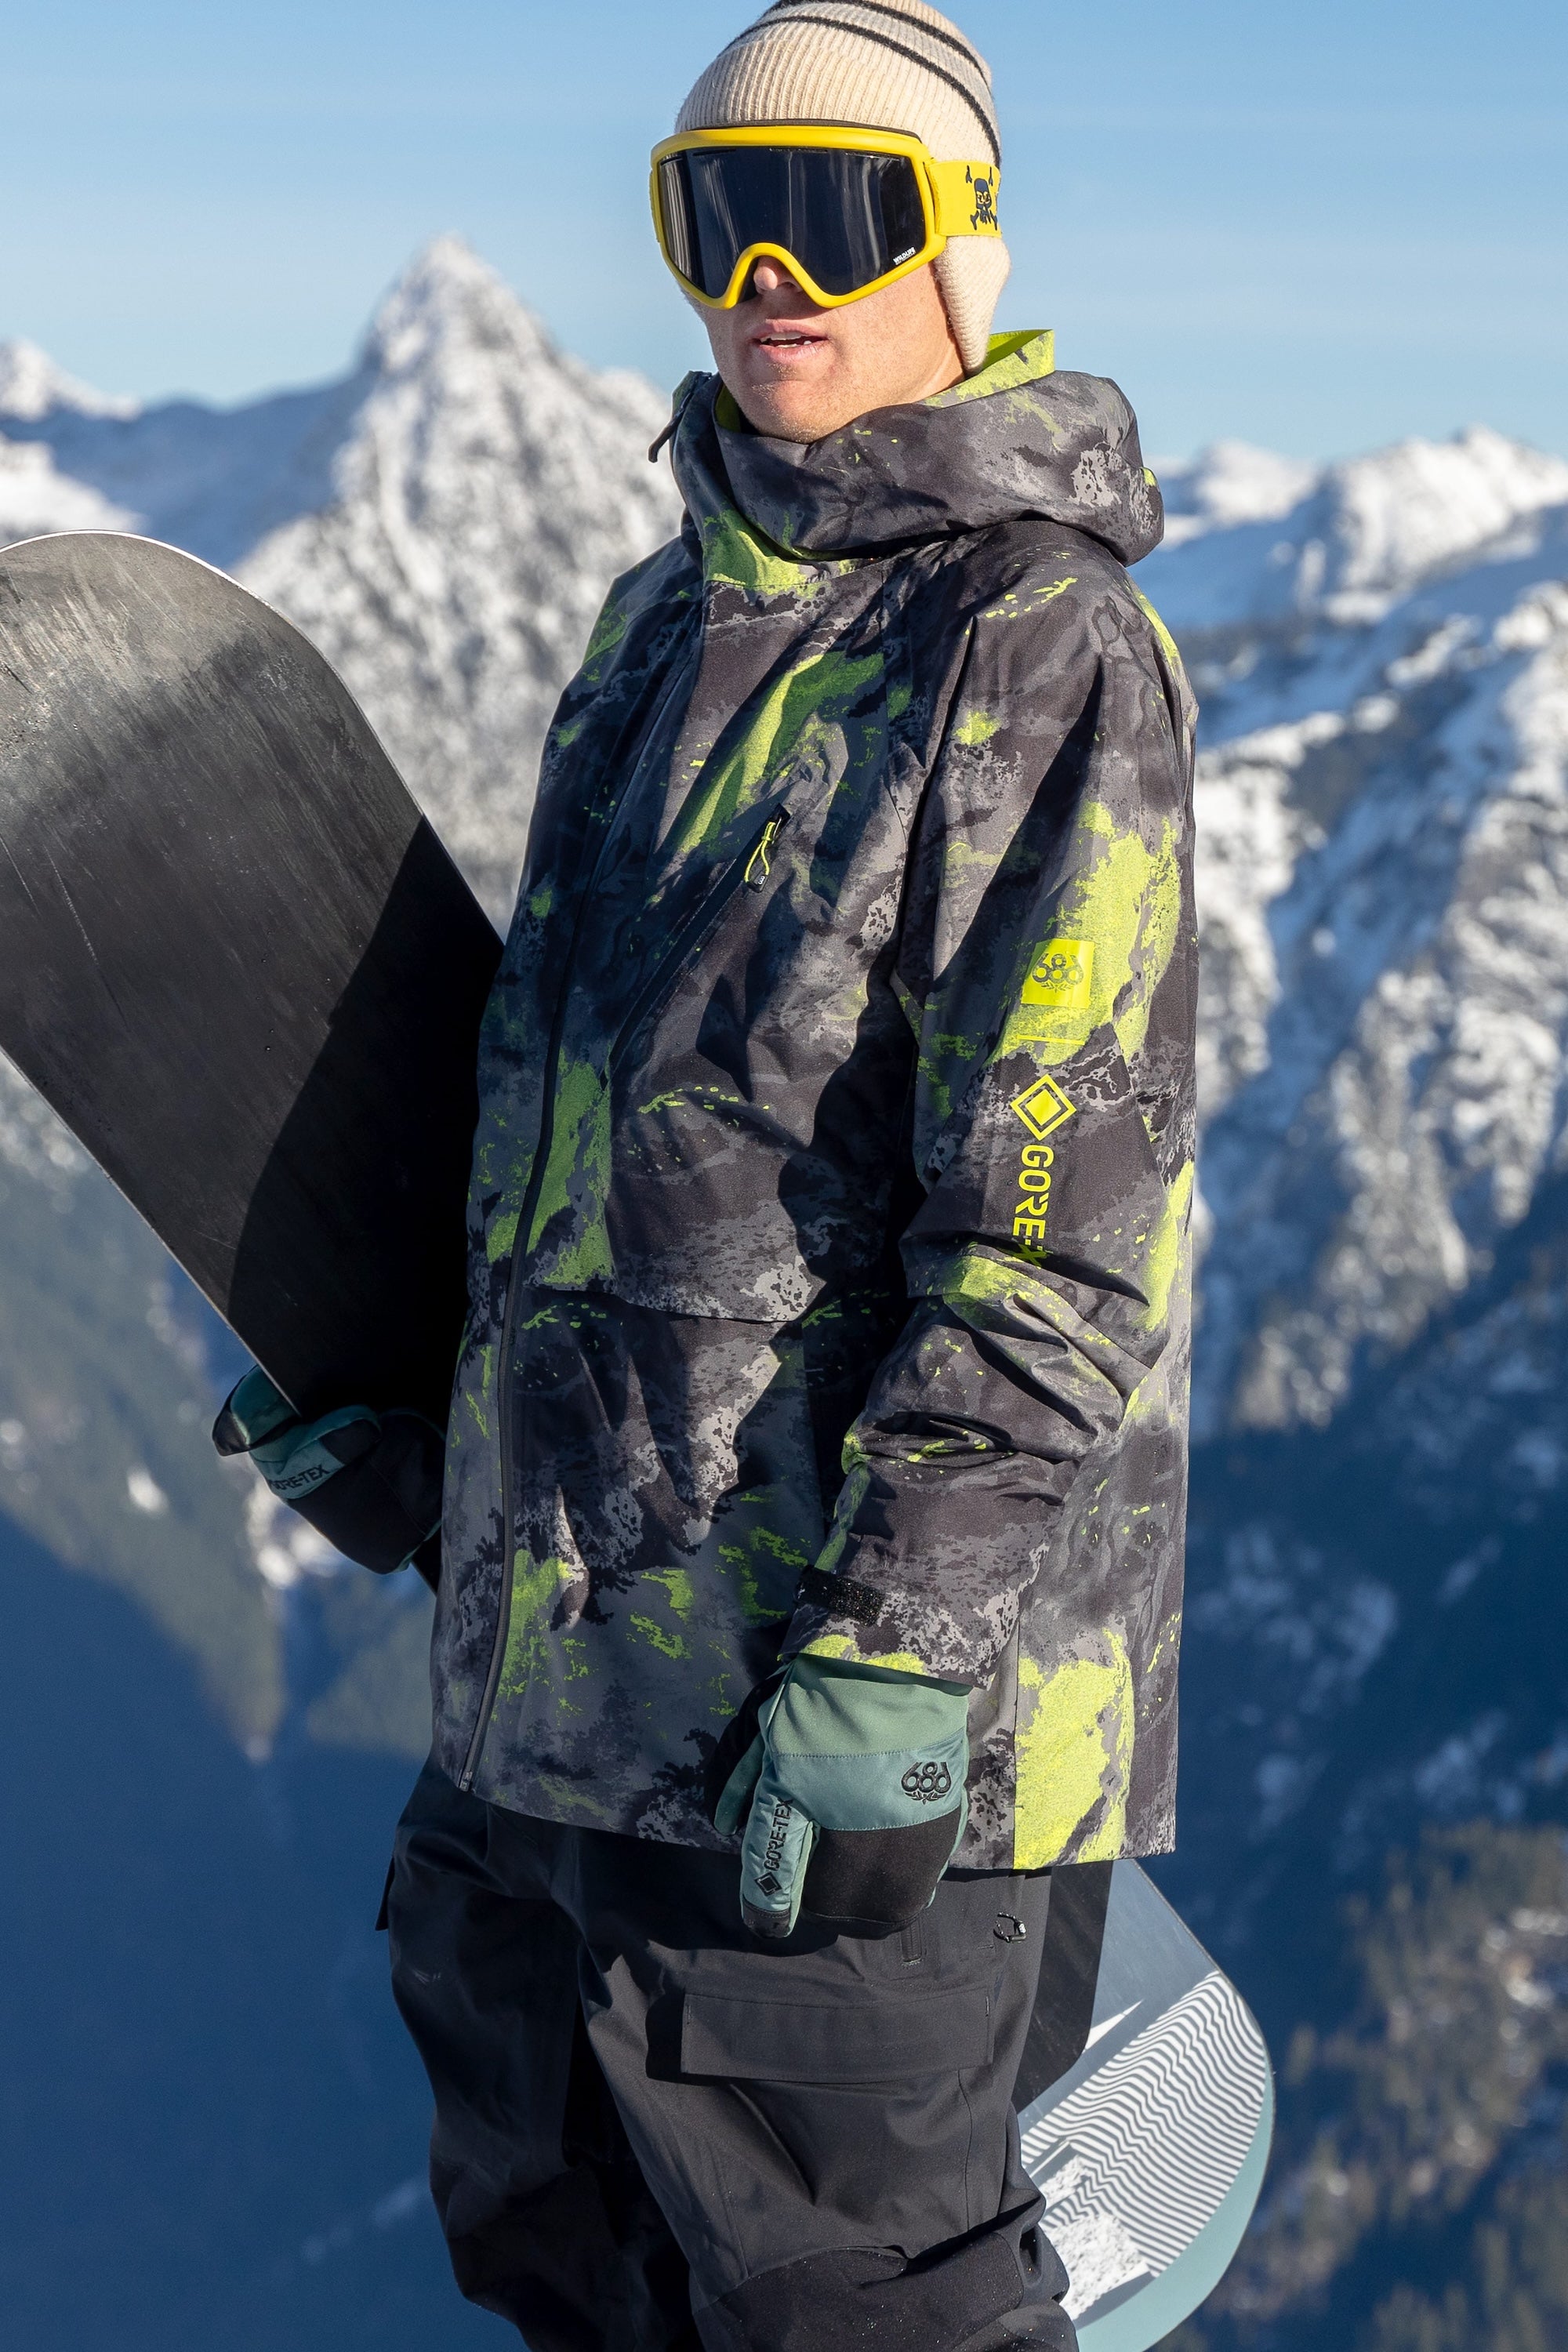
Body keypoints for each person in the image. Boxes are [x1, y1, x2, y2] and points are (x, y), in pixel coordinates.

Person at [216, 3, 1197, 2345]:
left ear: (962, 244)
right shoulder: (662, 626)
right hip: (563, 1696)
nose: (772, 265)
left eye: (841, 210)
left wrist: (889, 1661)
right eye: (711, 214)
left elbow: (1055, 1239)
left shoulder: (1036, 645)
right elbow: (584, 1134)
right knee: (566, 2266)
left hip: (833, 1731)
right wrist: (430, 1407)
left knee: (854, 2305)